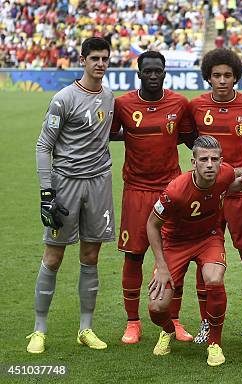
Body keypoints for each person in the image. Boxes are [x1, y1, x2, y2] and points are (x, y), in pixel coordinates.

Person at [29, 37, 115, 354]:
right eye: (94, 58)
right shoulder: (63, 98)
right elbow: (43, 146)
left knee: (91, 257)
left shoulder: (109, 96)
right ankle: (39, 329)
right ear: (82, 60)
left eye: (105, 58)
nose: (101, 64)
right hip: (65, 185)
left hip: (99, 184)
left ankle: (86, 328)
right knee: (54, 256)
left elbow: (106, 133)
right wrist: (46, 192)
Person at [111, 51, 194, 345]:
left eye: (158, 70)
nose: (153, 75)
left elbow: (189, 139)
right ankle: (133, 322)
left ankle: (174, 320)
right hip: (135, 189)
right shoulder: (122, 104)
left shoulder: (179, 103)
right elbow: (108, 134)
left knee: (175, 257)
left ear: (165, 72)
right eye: (148, 71)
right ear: (139, 74)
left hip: (171, 190)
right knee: (134, 256)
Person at [189, 48, 242, 345]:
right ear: (208, 77)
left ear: (236, 77)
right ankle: (205, 323)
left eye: (227, 75)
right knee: (203, 260)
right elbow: (190, 143)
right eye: (216, 75)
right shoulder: (196, 106)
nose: (222, 81)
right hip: (207, 197)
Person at [146, 135, 239, 366]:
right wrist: (162, 267)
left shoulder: (225, 173)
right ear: (193, 162)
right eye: (204, 159)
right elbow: (151, 224)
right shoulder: (176, 190)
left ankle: (214, 343)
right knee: (157, 308)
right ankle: (168, 330)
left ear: (221, 161)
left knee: (214, 279)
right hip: (175, 243)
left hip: (209, 238)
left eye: (214, 159)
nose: (210, 164)